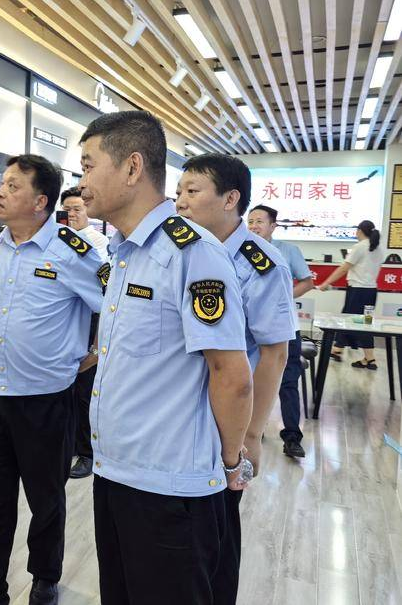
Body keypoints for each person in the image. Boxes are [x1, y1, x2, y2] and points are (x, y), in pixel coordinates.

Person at [78, 111, 253, 604]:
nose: (82, 183)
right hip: (116, 475)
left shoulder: (190, 253)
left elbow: (231, 373)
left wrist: (231, 460)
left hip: (171, 490)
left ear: (132, 168)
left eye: (89, 166)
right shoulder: (125, 253)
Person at [0, 154, 104, 605]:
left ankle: (44, 579)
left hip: (46, 401)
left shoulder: (74, 253)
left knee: (46, 500)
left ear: (41, 201)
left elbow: (114, 307)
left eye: (13, 186)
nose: (1, 192)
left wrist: (93, 355)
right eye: (3, 183)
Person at [176, 155, 295, 604]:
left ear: (231, 200)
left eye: (192, 191)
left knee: (218, 532)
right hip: (183, 418)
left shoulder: (260, 264)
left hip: (225, 421)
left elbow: (275, 353)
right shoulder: (184, 251)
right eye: (179, 191)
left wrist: (250, 434)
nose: (180, 201)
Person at [247, 204, 314, 458]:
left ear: (273, 226)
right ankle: (252, 428)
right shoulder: (239, 250)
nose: (253, 226)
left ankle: (292, 437)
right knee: (249, 378)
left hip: (285, 327)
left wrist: (282, 296)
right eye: (250, 221)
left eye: (259, 221)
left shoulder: (288, 251)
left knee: (287, 381)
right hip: (250, 328)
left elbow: (307, 282)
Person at [60, 186, 107, 479]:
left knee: (85, 392)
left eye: (77, 209)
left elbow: (105, 297)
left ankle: (88, 453)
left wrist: (96, 348)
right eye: (67, 210)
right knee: (66, 391)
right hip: (67, 324)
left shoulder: (98, 244)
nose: (72, 214)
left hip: (91, 323)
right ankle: (69, 447)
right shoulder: (57, 241)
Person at [317, 220, 383, 369]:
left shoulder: (360, 247)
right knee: (359, 321)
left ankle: (368, 358)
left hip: (358, 291)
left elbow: (344, 268)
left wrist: (326, 283)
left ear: (360, 231)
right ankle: (339, 350)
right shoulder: (378, 248)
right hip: (371, 291)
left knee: (354, 321)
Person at [60, 186, 109, 259]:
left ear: (88, 211)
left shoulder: (99, 239)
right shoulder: (54, 235)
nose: (70, 214)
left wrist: (66, 235)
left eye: (77, 210)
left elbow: (93, 263)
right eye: (67, 210)